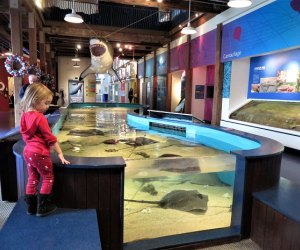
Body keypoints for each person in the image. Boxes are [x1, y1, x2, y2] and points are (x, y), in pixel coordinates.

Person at [20, 83, 70, 217]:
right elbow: (50, 138)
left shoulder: (24, 115)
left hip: (28, 151)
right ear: (35, 100)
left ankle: (30, 207)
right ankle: (43, 207)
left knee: (32, 177)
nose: (48, 106)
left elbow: (24, 135)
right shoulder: (40, 117)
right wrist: (60, 153)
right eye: (46, 103)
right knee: (48, 177)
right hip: (39, 153)